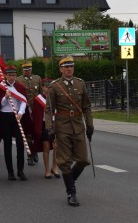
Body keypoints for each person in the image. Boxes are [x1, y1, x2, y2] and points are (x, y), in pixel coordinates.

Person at [45, 56, 94, 207]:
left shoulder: (80, 84)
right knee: (65, 161)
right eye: (66, 67)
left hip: (78, 126)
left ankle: (70, 181)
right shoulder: (54, 86)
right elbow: (48, 110)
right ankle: (71, 193)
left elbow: (86, 106)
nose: (69, 69)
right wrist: (50, 127)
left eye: (71, 67)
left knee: (83, 160)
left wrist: (90, 125)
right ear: (61, 69)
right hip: (62, 127)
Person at [0, 65, 30, 181]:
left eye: (14, 75)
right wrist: (5, 98)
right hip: (5, 116)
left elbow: (24, 101)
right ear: (5, 75)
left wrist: (21, 112)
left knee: (20, 143)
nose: (12, 77)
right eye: (9, 75)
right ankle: (10, 171)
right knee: (7, 144)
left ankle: (20, 170)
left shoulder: (19, 87)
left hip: (17, 117)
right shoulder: (1, 88)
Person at [32, 78, 60, 179]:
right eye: (46, 86)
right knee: (46, 147)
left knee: (56, 147)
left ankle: (54, 168)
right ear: (42, 87)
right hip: (44, 125)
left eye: (50, 86)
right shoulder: (38, 99)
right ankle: (47, 170)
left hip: (55, 124)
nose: (48, 88)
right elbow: (36, 115)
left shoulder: (56, 98)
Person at [16, 61, 41, 165]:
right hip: (24, 110)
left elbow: (40, 93)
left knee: (37, 132)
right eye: (25, 69)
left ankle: (35, 150)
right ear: (22, 70)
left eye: (29, 69)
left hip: (36, 109)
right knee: (27, 134)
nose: (27, 71)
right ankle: (29, 155)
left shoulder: (37, 78)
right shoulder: (18, 80)